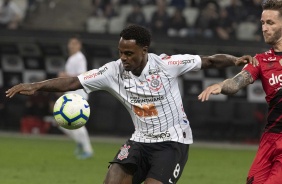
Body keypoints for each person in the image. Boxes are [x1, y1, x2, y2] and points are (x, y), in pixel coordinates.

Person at [6, 24, 256, 184]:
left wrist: (235, 60)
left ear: (144, 51)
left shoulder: (167, 65)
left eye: (129, 54)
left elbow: (210, 61)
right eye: (120, 52)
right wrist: (37, 85)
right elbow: (73, 82)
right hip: (139, 140)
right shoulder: (111, 71)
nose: (123, 58)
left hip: (172, 142)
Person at [198, 1, 282, 183]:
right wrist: (221, 86)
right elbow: (237, 82)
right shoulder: (260, 60)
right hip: (270, 138)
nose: (265, 28)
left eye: (270, 23)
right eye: (262, 23)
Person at [57, 36, 94, 160]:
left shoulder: (79, 57)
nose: (71, 45)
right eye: (70, 43)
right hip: (69, 94)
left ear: (79, 45)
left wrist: (65, 75)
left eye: (74, 43)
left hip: (78, 94)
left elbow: (82, 75)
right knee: (61, 122)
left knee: (77, 122)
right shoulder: (72, 58)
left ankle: (88, 150)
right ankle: (80, 142)